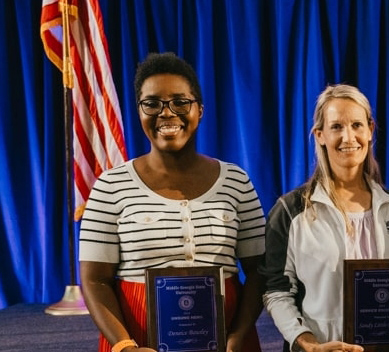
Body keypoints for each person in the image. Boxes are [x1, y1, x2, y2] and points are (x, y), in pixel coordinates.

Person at [79, 52, 266, 352]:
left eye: (180, 101)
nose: (167, 113)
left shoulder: (237, 182)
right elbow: (95, 281)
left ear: (200, 110)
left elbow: (259, 271)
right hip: (137, 341)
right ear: (139, 111)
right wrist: (124, 345)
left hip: (229, 339)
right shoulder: (109, 186)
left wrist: (238, 338)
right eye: (152, 103)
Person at [260, 84, 389, 352]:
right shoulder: (290, 211)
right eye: (336, 126)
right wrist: (308, 344)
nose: (348, 137)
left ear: (370, 131)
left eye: (357, 125)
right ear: (320, 135)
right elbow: (276, 291)